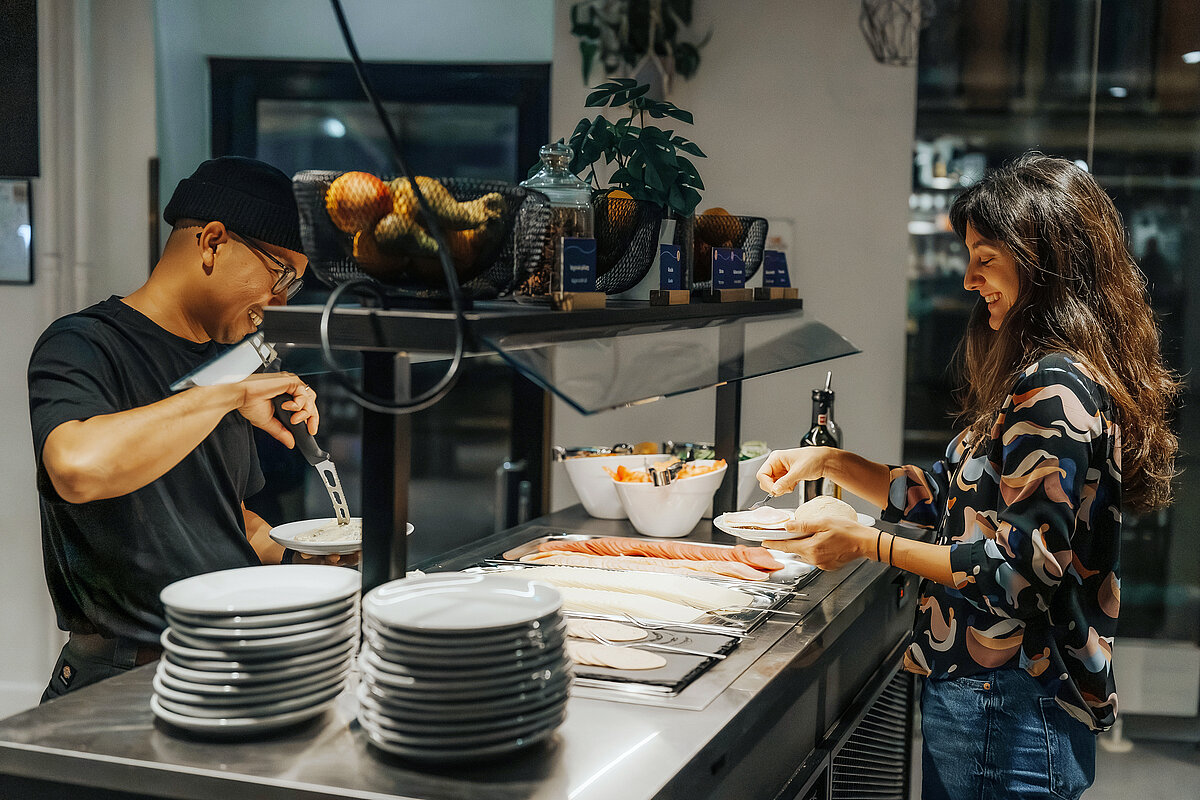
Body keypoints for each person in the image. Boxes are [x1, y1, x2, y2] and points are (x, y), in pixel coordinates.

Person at [757, 153, 1179, 800]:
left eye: (985, 256)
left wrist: (861, 542)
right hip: (990, 704)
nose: (967, 279)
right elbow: (945, 497)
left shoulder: (1054, 387)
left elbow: (1018, 569)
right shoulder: (1038, 375)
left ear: (1043, 255)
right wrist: (831, 463)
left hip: (1006, 706)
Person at [29, 156, 323, 701]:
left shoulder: (228, 362)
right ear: (212, 241)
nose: (281, 303)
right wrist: (229, 395)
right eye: (280, 276)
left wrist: (320, 558)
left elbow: (227, 522)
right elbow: (77, 468)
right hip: (124, 677)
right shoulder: (83, 343)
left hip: (226, 660)